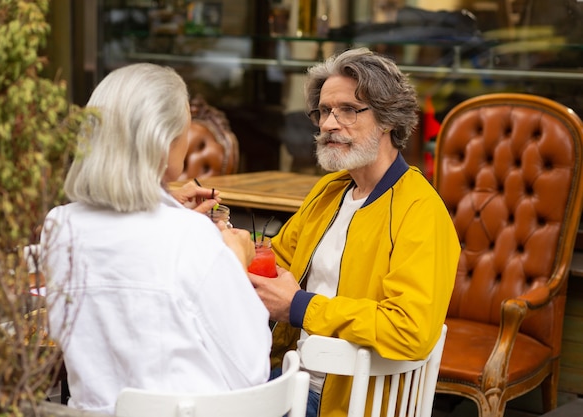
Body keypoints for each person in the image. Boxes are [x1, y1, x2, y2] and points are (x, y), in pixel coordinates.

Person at [40, 63, 272, 414]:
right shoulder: (190, 236)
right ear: (164, 140)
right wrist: (234, 261)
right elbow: (250, 371)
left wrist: (171, 215)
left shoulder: (59, 226)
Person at [248, 48, 461, 417]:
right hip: (288, 380)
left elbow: (410, 328)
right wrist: (221, 240)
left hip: (353, 403)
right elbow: (274, 263)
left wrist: (300, 306)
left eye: (348, 110)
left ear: (387, 119)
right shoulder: (329, 191)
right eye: (325, 111)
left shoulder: (420, 211)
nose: (330, 124)